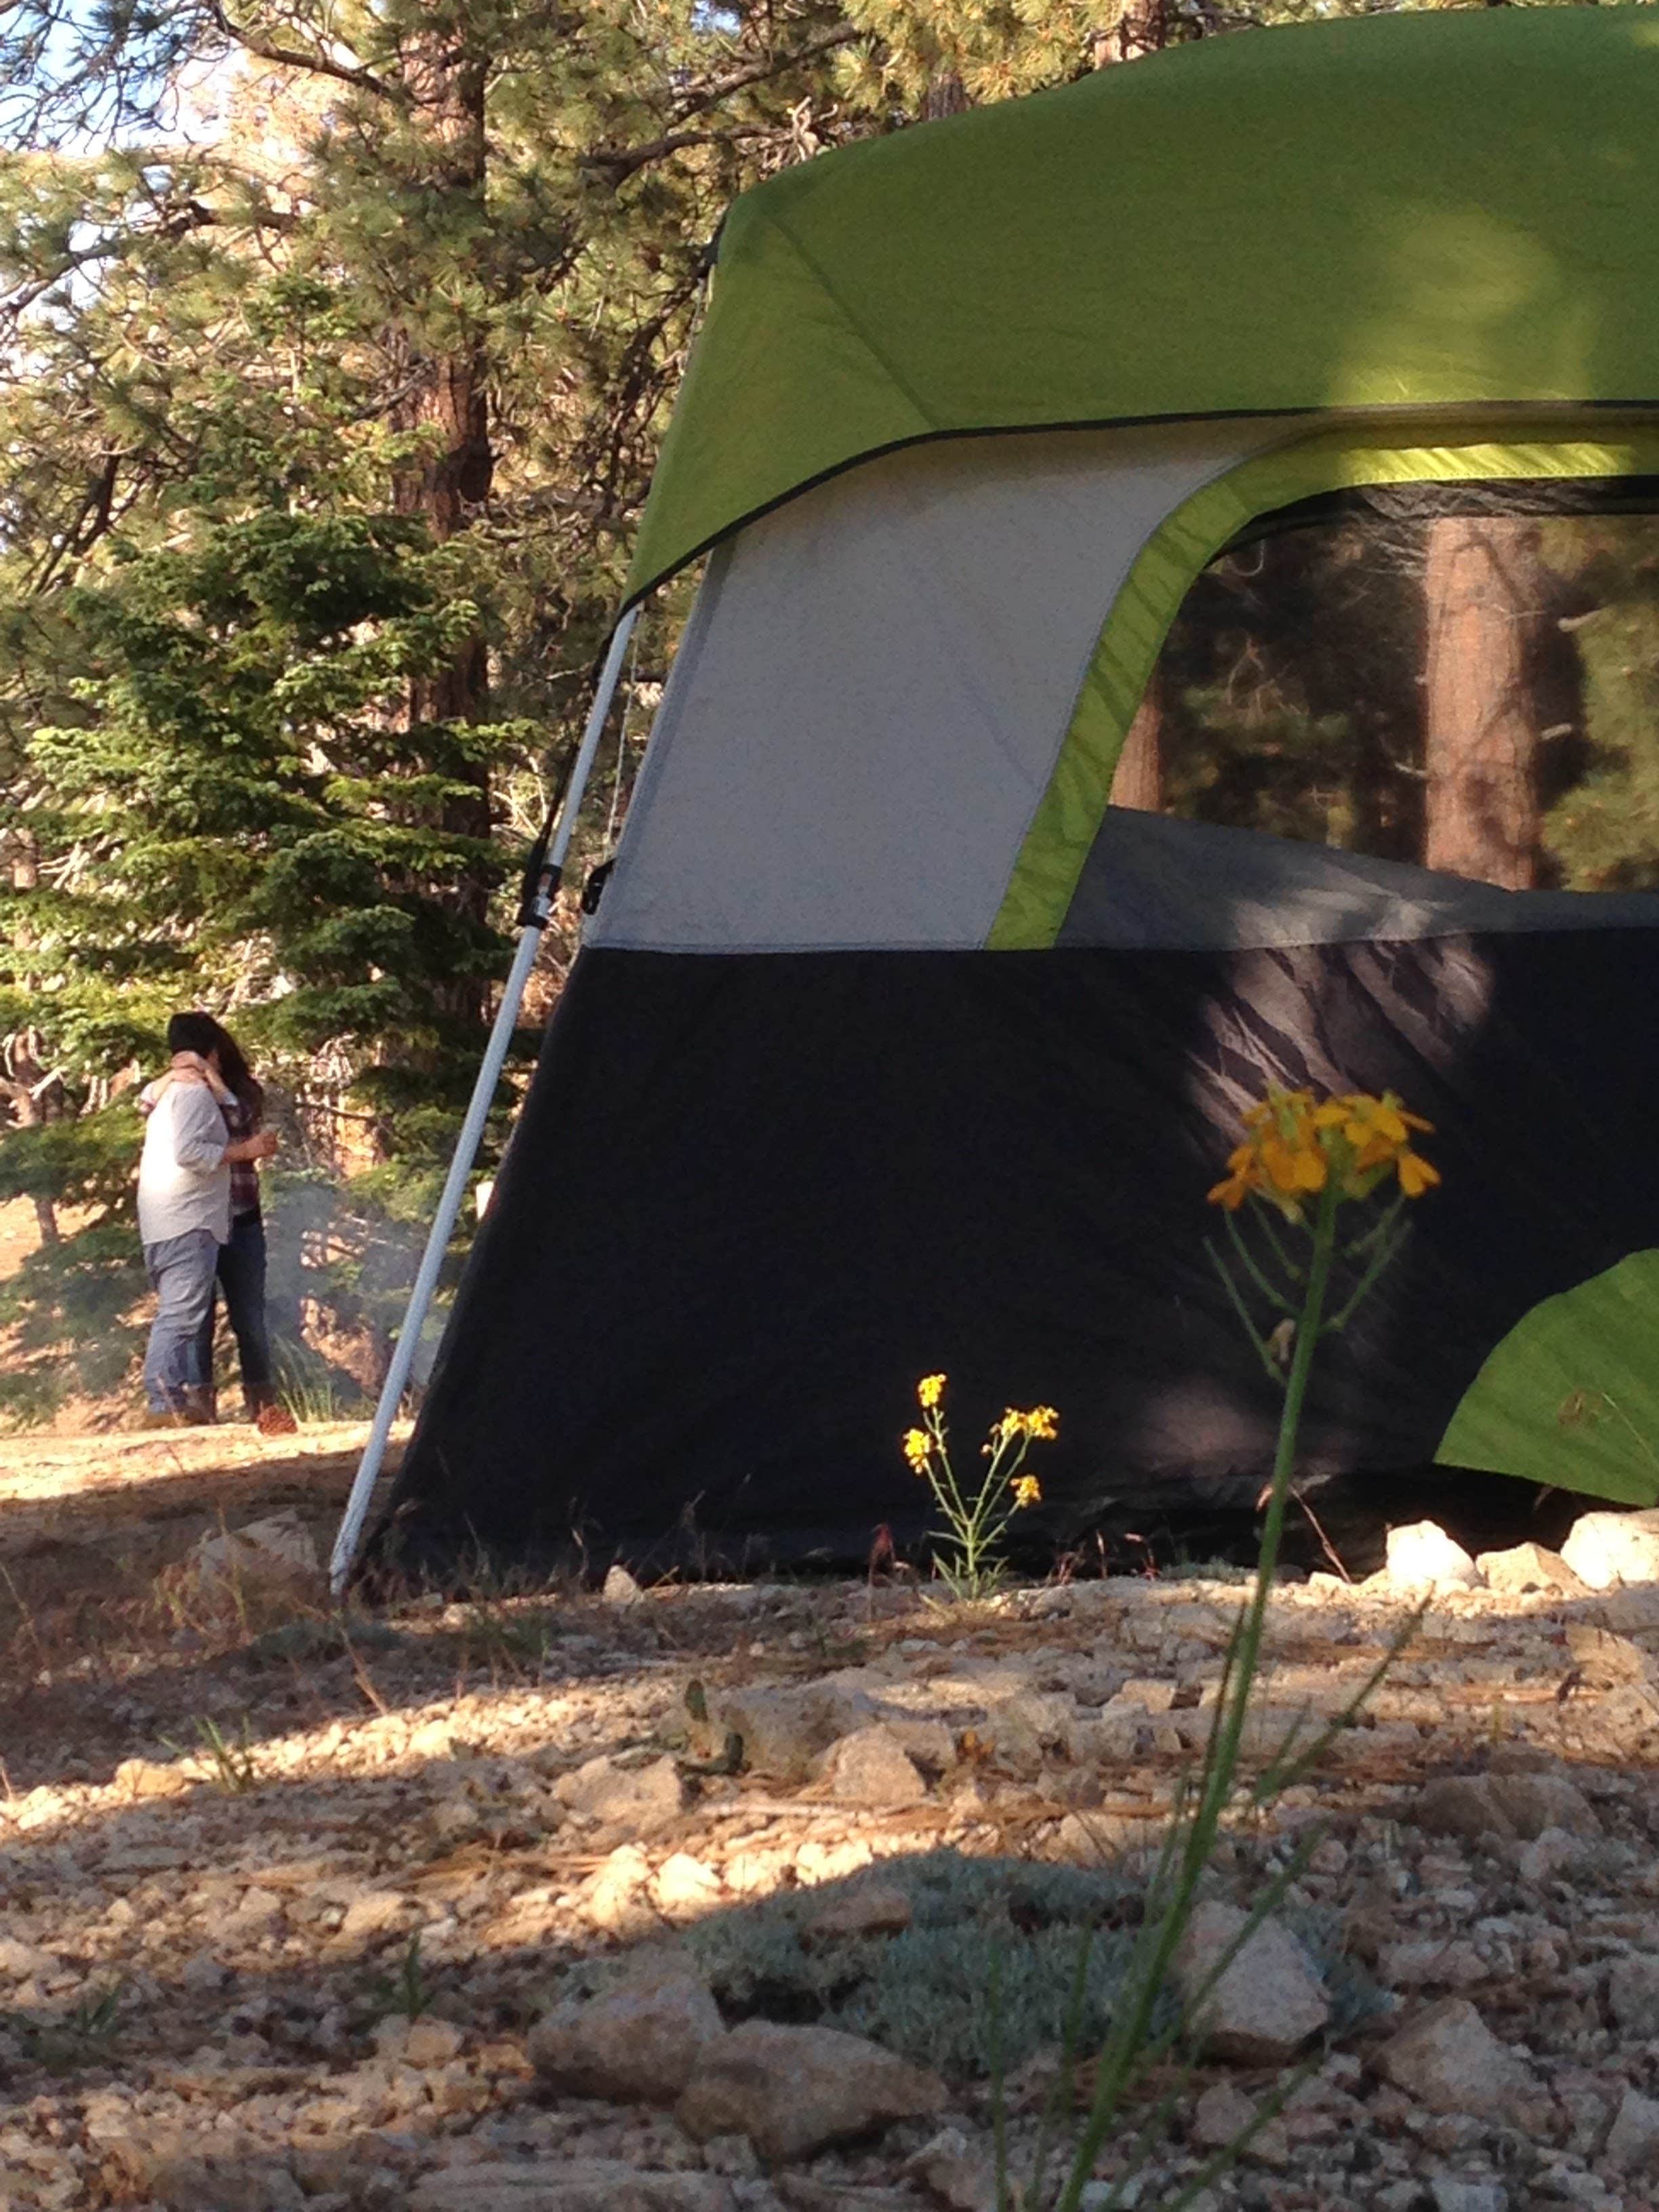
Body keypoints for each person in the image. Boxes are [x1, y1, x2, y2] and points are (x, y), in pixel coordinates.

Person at [136, 1012, 282, 1430]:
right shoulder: (181, 1092)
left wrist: (207, 1078)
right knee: (189, 1315)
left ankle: (262, 1408)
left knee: (248, 1318)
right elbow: (153, 1111)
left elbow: (237, 1119)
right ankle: (185, 1406)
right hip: (197, 1217)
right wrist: (178, 1075)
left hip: (239, 1217)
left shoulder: (234, 1090)